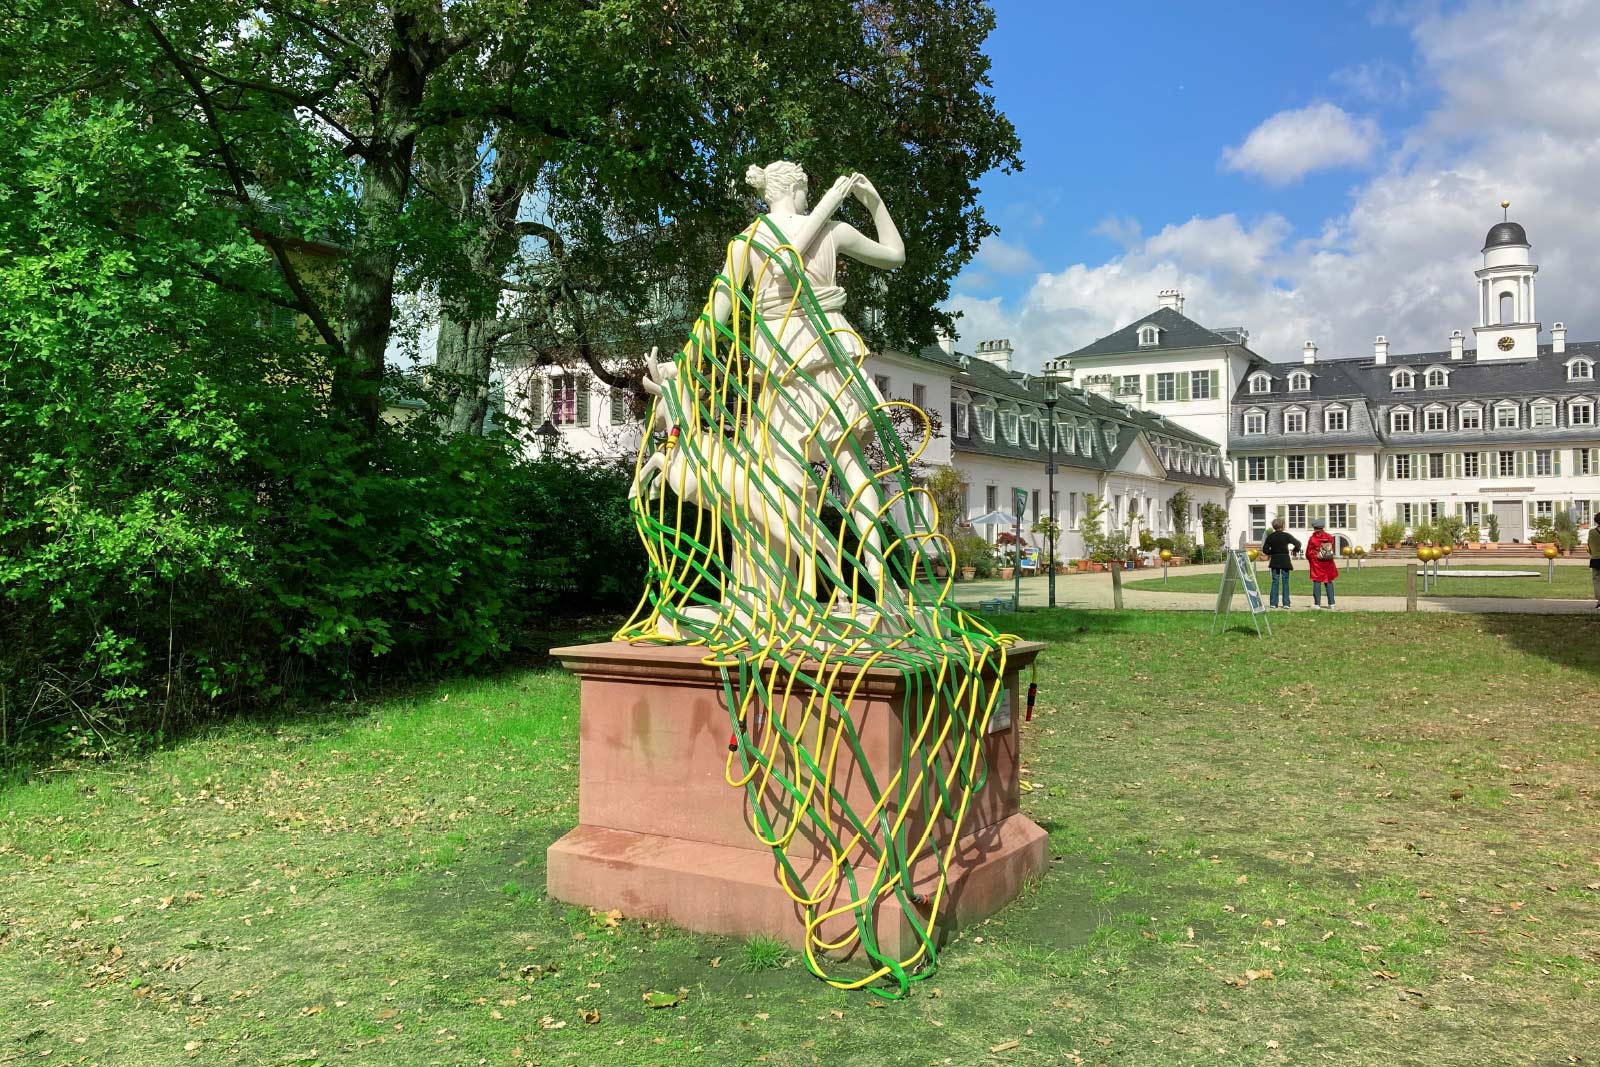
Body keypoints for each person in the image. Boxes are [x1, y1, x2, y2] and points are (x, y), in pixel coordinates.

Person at [1260, 517, 1301, 609]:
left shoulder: (1270, 537)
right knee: (1285, 581)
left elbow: (1265, 549)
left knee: (1275, 581)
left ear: (1274, 527)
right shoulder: (1286, 536)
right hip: (1285, 560)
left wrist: (1273, 553)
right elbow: (1298, 544)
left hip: (1275, 560)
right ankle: (1286, 603)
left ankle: (1273, 603)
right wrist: (1295, 550)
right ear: (1282, 526)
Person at [1306, 518, 1339, 609]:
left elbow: (1309, 553)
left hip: (1317, 563)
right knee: (1329, 582)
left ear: (1315, 528)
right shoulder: (1329, 537)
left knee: (1317, 582)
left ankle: (1317, 604)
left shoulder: (1313, 539)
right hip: (1328, 563)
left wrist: (1312, 559)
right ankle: (1331, 603)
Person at [1589, 520, 1600, 609]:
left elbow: (1589, 544)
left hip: (1596, 558)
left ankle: (1599, 600)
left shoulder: (1592, 532)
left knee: (1596, 580)